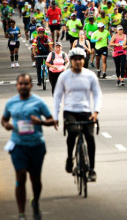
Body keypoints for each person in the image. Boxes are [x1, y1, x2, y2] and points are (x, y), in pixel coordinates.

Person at [1, 73, 57, 220]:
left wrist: (41, 122)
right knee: (20, 177)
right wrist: (7, 125)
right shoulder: (11, 103)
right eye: (21, 84)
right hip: (18, 146)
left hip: (36, 145)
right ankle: (21, 213)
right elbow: (4, 119)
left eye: (26, 84)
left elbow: (52, 120)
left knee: (35, 180)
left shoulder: (38, 102)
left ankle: (36, 201)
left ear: (31, 86)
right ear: (17, 85)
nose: (23, 86)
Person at [53, 48, 102, 182]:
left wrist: (96, 112)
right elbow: (57, 96)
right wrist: (55, 116)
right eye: (75, 59)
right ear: (71, 61)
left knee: (90, 138)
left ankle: (91, 169)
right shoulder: (64, 76)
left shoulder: (90, 75)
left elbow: (97, 94)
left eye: (80, 59)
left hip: (86, 111)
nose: (78, 62)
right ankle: (70, 158)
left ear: (84, 60)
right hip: (70, 111)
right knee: (73, 133)